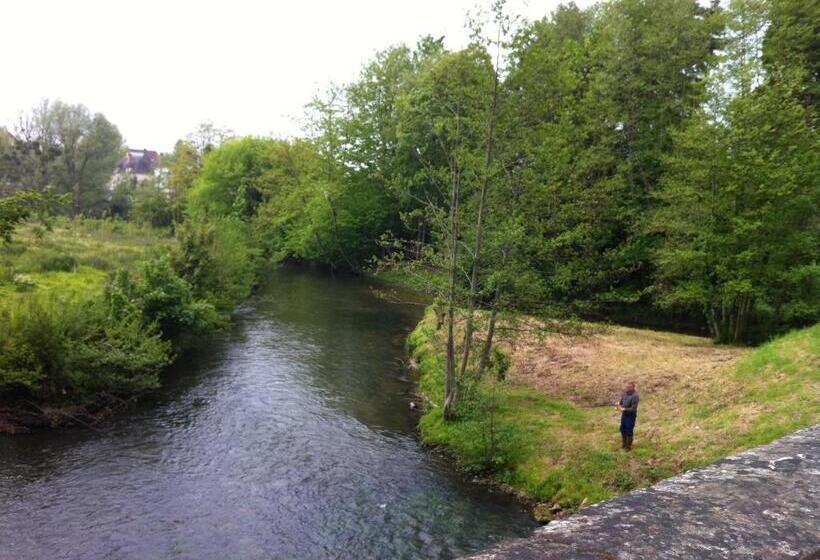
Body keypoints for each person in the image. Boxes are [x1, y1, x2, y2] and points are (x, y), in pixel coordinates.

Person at [616, 382, 639, 451]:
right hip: (624, 415)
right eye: (626, 387)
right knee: (623, 429)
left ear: (633, 388)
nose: (627, 388)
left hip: (631, 416)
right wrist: (618, 404)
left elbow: (633, 408)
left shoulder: (635, 396)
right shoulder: (625, 393)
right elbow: (621, 402)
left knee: (629, 430)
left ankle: (628, 447)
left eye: (628, 387)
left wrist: (624, 409)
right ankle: (624, 444)